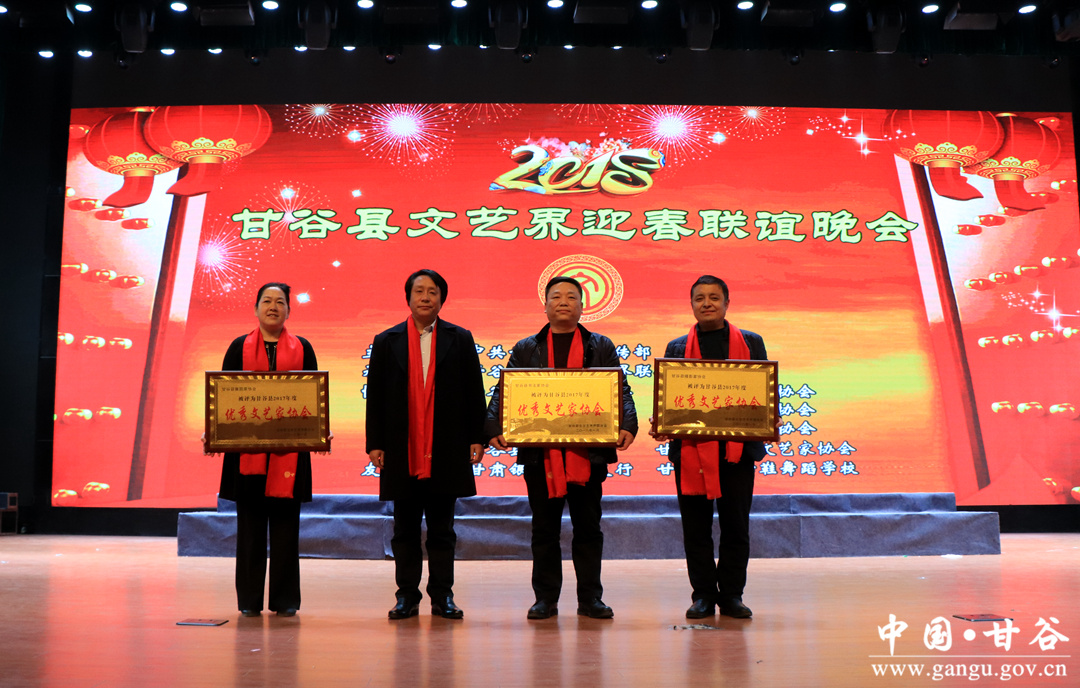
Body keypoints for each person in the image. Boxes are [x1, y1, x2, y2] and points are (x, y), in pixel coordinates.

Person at [486, 276, 637, 620]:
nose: (564, 302)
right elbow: (504, 390)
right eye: (556, 297)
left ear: (583, 306)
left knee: (588, 530)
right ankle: (545, 599)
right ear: (545, 306)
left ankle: (590, 598)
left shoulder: (600, 345)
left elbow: (620, 389)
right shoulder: (528, 348)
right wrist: (493, 427)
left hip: (588, 454)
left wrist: (628, 423)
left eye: (571, 297)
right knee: (544, 530)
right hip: (541, 455)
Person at [365, 269, 486, 620]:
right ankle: (406, 596)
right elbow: (376, 396)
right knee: (404, 529)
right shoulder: (386, 341)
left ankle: (442, 596)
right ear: (408, 297)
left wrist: (476, 437)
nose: (425, 297)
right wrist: (375, 442)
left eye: (433, 291)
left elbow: (473, 391)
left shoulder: (459, 338)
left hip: (446, 447)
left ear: (441, 299)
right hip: (401, 447)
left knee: (442, 530)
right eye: (419, 291)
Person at [660, 275, 769, 620]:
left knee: (736, 526)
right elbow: (671, 398)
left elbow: (764, 389)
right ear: (691, 304)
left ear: (726, 303)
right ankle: (704, 595)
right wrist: (663, 422)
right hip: (691, 451)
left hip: (737, 452)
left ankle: (732, 595)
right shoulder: (677, 348)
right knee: (696, 528)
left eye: (714, 297)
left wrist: (769, 418)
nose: (706, 303)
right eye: (700, 298)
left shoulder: (751, 342)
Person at [218, 282, 318, 618]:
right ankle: (249, 600)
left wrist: (318, 430)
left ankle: (285, 600)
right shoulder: (238, 347)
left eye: (280, 302)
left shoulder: (303, 348)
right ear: (256, 308)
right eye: (266, 301)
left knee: (287, 530)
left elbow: (314, 396)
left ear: (289, 309)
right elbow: (224, 396)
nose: (273, 307)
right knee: (250, 531)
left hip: (290, 451)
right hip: (247, 452)